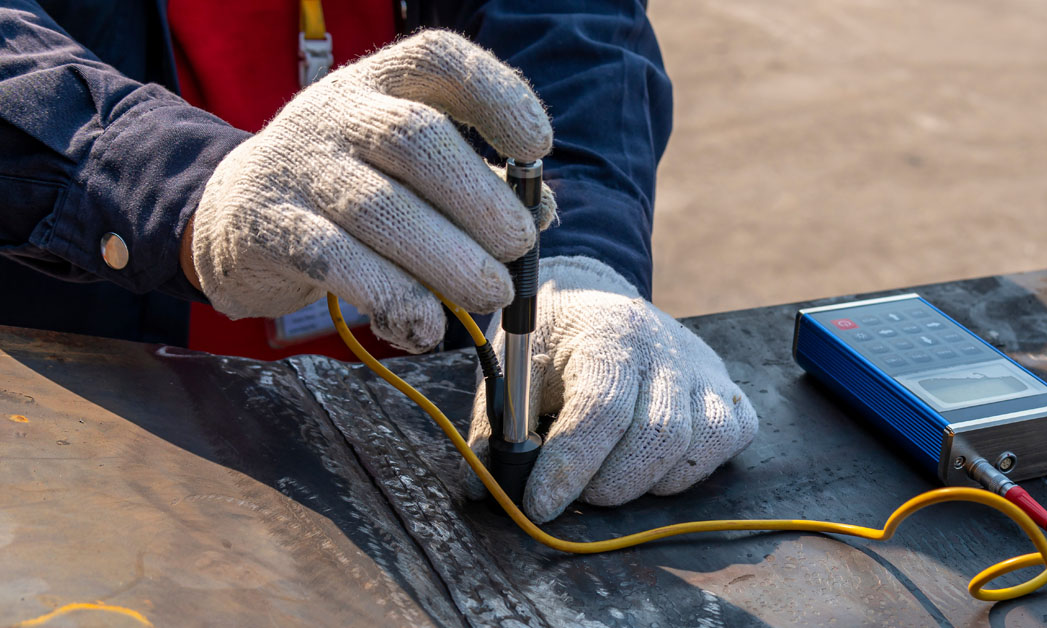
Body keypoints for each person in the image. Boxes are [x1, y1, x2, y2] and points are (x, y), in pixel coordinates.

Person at [0, 0, 759, 523]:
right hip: (102, 400)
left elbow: (571, 24)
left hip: (435, 395)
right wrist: (181, 190)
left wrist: (581, 256)